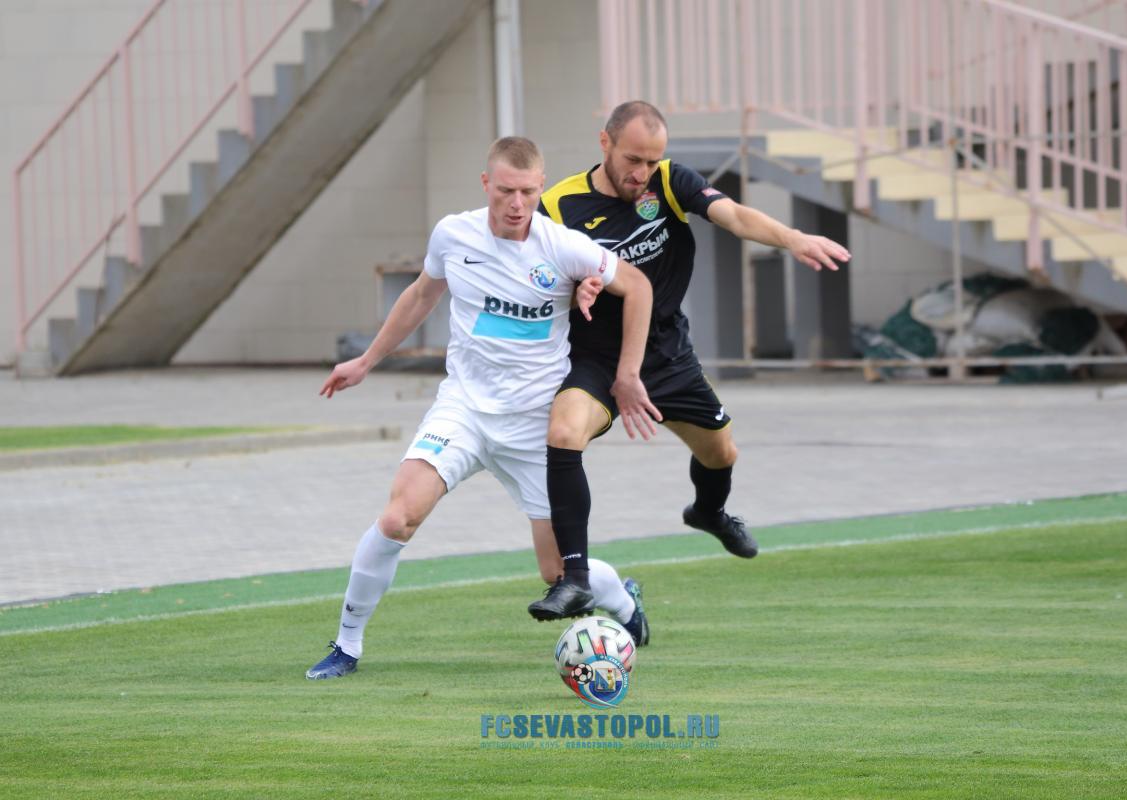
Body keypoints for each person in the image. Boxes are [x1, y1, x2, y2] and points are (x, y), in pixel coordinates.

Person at [306, 136, 658, 679]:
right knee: (398, 517)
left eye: (528, 192)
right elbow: (422, 294)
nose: (517, 204)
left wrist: (627, 372)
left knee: (556, 572)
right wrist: (367, 360)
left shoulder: (565, 247)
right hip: (464, 410)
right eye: (506, 191)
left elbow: (638, 287)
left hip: (534, 423)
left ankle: (624, 602)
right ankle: (347, 644)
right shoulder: (453, 234)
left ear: (541, 187)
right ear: (486, 184)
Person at [527, 101, 851, 620]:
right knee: (564, 433)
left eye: (651, 161)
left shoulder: (671, 182)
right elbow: (535, 279)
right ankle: (576, 579)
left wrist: (794, 238)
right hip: (596, 358)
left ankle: (709, 511)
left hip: (667, 354)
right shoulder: (558, 205)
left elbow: (734, 216)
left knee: (721, 453)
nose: (642, 173)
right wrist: (573, 290)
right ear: (605, 143)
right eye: (633, 159)